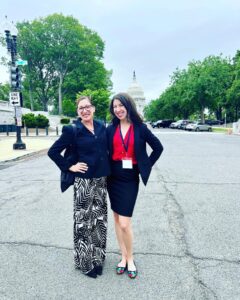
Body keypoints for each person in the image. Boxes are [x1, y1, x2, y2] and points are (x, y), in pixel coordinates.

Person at [48, 96, 110, 278]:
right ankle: (84, 263)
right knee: (83, 222)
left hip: (100, 180)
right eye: (81, 108)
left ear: (93, 108)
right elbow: (53, 151)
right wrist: (69, 166)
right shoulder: (72, 130)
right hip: (83, 182)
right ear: (78, 112)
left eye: (87, 107)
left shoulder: (101, 126)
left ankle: (98, 259)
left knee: (99, 220)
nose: (85, 110)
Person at [107, 92, 163, 279]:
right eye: (114, 107)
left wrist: (143, 166)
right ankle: (122, 256)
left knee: (124, 222)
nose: (118, 109)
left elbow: (158, 147)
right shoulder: (110, 128)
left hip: (130, 177)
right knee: (116, 219)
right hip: (113, 176)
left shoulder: (140, 128)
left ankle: (130, 258)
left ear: (128, 106)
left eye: (120, 105)